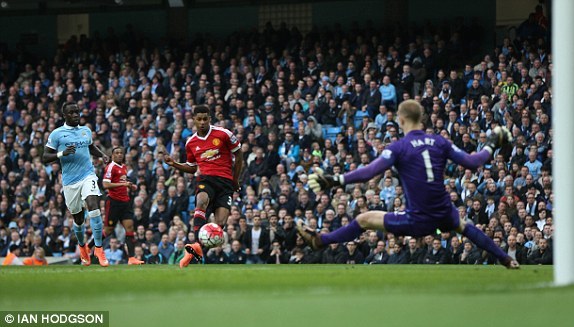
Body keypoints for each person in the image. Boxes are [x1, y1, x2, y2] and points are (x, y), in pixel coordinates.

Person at [299, 100, 519, 269]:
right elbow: (473, 162)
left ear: (401, 120)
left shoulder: (399, 147)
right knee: (463, 226)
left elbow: (370, 172)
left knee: (363, 219)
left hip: (417, 219)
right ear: (421, 119)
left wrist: (336, 180)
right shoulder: (440, 141)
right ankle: (506, 258)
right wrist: (490, 144)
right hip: (443, 213)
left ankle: (321, 241)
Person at [163, 105, 244, 268]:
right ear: (194, 119)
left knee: (219, 225)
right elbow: (192, 167)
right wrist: (175, 164)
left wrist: (235, 180)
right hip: (206, 179)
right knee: (201, 201)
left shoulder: (224, 134)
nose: (202, 122)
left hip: (226, 182)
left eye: (205, 119)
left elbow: (239, 154)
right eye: (198, 119)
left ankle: (196, 249)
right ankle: (193, 248)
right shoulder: (191, 142)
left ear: (209, 119)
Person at [42, 102, 110, 267]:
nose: (75, 115)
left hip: (88, 175)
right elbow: (45, 157)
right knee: (78, 219)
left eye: (77, 112)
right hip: (70, 182)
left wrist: (102, 155)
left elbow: (90, 146)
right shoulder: (57, 134)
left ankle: (99, 249)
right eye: (71, 113)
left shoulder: (85, 130)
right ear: (64, 115)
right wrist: (61, 153)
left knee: (94, 206)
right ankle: (82, 247)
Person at [102, 146, 144, 265]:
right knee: (108, 231)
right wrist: (123, 185)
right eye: (117, 153)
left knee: (130, 228)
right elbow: (106, 184)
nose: (120, 155)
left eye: (121, 153)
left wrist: (130, 186)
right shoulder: (111, 167)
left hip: (125, 202)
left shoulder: (124, 167)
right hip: (113, 202)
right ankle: (90, 247)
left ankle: (131, 258)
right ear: (112, 155)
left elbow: (122, 182)